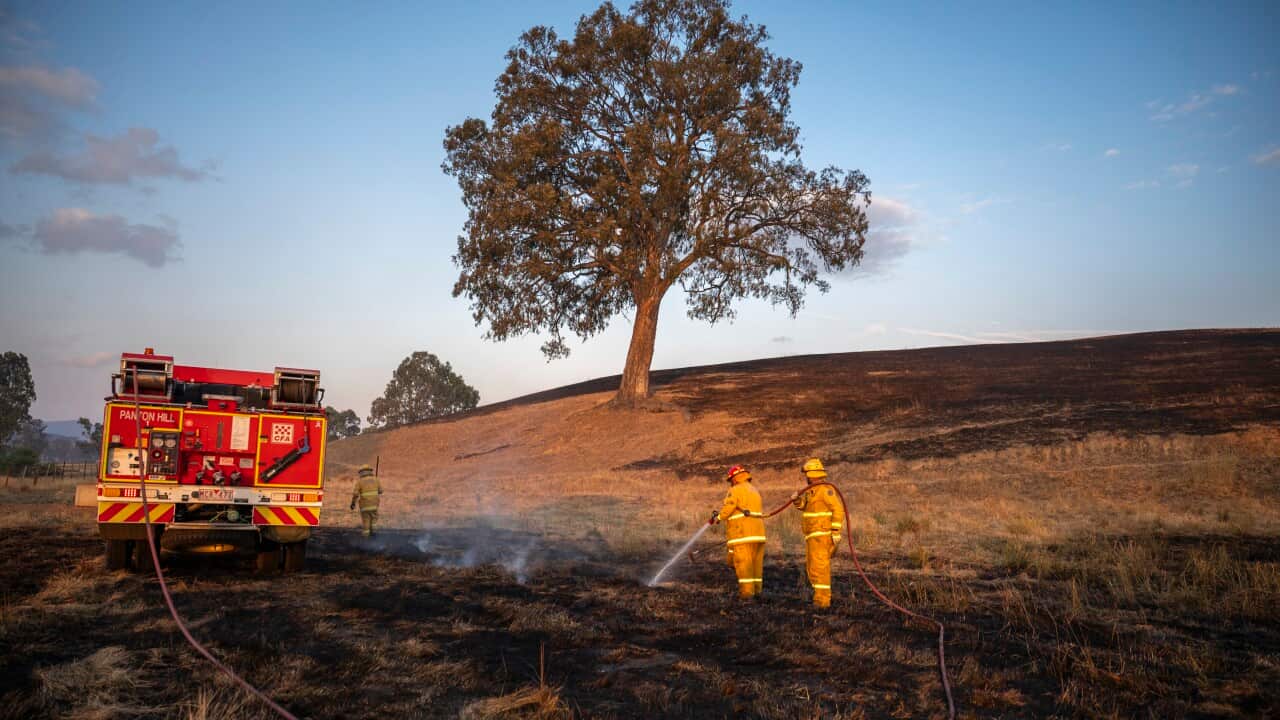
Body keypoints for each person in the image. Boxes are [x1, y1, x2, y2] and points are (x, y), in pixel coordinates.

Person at [790, 457, 846, 608]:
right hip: (811, 535)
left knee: (820, 568)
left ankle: (822, 602)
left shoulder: (826, 490)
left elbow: (838, 509)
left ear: (813, 474)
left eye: (807, 474)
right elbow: (804, 506)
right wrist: (796, 500)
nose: (806, 477)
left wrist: (835, 531)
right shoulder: (811, 492)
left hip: (821, 535)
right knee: (813, 568)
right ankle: (819, 598)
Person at [711, 465, 766, 598]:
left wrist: (718, 517)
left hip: (742, 535)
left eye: (731, 480)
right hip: (758, 535)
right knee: (755, 567)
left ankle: (747, 596)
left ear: (734, 479)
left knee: (744, 567)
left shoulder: (735, 490)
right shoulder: (754, 490)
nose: (731, 483)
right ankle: (757, 592)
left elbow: (730, 506)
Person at [349, 464, 382, 537]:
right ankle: (375, 536)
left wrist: (353, 503)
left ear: (361, 472)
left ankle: (366, 538)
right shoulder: (376, 480)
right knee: (374, 521)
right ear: (370, 471)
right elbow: (381, 491)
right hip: (374, 505)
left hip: (364, 506)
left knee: (366, 522)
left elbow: (355, 494)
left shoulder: (359, 482)